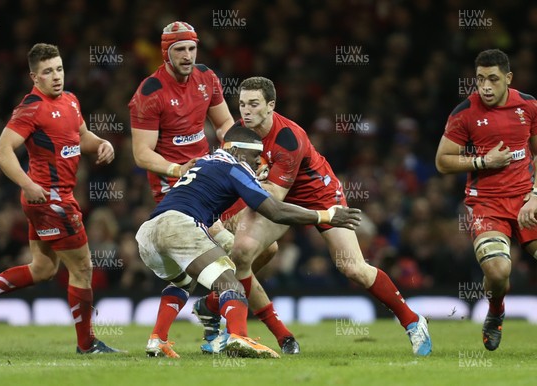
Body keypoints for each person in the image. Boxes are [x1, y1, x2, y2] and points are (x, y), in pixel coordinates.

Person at [199, 76, 432, 356]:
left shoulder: (288, 138)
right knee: (243, 250)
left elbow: (272, 199)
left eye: (254, 104)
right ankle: (238, 334)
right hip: (272, 194)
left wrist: (237, 210)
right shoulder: (237, 134)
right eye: (242, 104)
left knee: (353, 268)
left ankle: (413, 321)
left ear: (271, 105)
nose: (245, 111)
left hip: (318, 195)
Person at [128, 21, 298, 354]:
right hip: (178, 193)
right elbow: (141, 154)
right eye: (180, 50)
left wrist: (238, 156)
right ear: (165, 52)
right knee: (223, 261)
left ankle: (209, 307)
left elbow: (224, 125)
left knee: (263, 249)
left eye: (192, 48)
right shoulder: (149, 94)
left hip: (215, 177)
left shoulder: (208, 79)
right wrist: (177, 168)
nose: (188, 56)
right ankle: (263, 332)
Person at [0, 43, 122, 354]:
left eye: (59, 69)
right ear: (34, 77)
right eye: (47, 72)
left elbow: (81, 136)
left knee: (42, 269)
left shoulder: (70, 100)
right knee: (82, 269)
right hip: (49, 199)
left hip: (52, 198)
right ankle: (87, 344)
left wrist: (101, 143)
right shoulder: (31, 108)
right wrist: (27, 184)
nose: (56, 76)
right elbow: (2, 152)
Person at [135, 125, 362, 358]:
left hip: (148, 232)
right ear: (237, 150)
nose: (258, 162)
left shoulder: (205, 161)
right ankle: (239, 337)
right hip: (179, 226)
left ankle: (157, 340)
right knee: (231, 284)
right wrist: (326, 215)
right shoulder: (235, 168)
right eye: (255, 156)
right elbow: (274, 211)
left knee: (182, 283)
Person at [435, 48, 537, 351]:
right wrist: (483, 161)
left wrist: (535, 196)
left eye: (493, 79)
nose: (486, 87)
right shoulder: (464, 112)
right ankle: (495, 311)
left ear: (508, 78)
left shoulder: (529, 106)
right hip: (487, 204)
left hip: (526, 200)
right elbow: (442, 161)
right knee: (498, 272)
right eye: (480, 79)